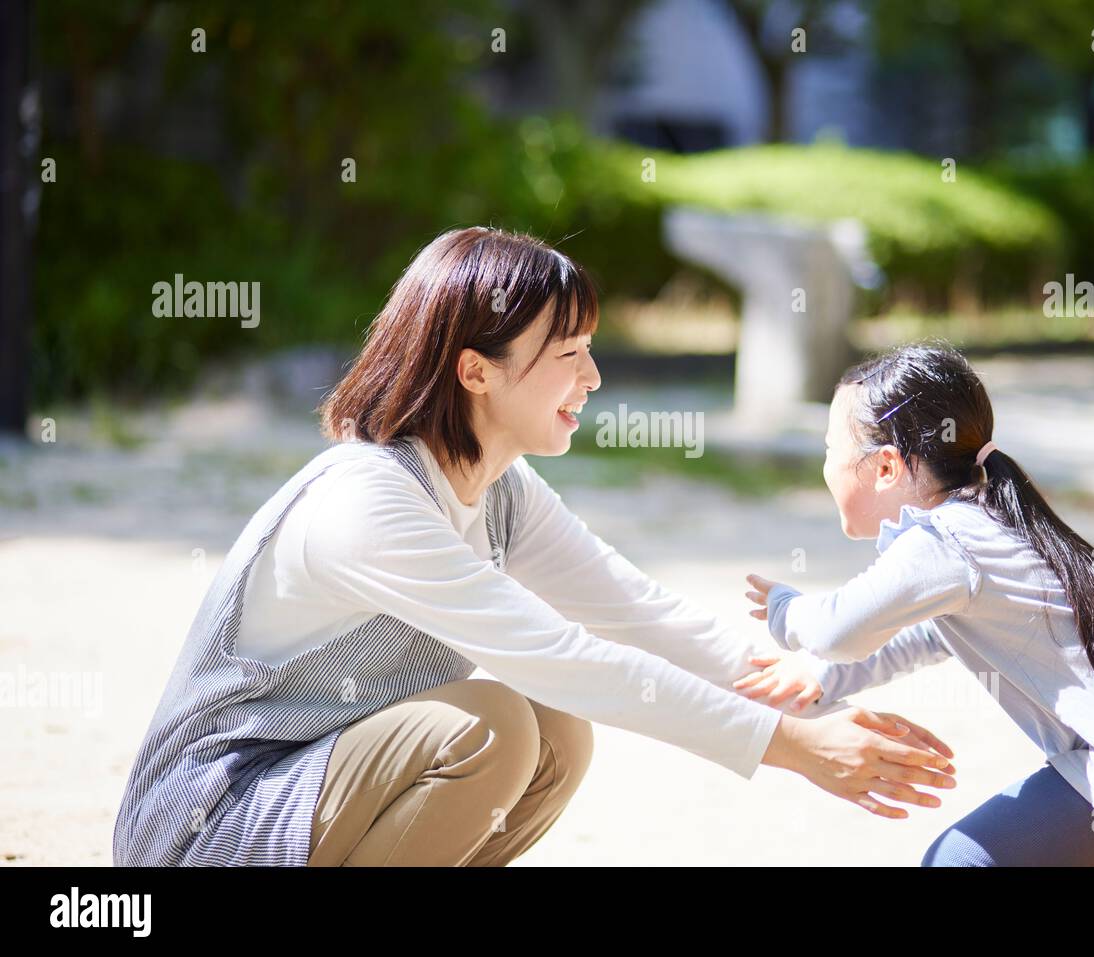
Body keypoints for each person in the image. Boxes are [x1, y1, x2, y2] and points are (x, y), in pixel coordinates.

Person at [110, 227, 956, 868]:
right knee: (495, 726)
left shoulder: (498, 489)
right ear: (475, 371)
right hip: (205, 823)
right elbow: (570, 656)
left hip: (310, 792)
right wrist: (795, 752)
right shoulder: (370, 497)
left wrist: (821, 708)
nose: (592, 380)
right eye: (570, 355)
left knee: (556, 731)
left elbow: (639, 616)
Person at [739, 343, 1094, 866]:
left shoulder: (943, 541)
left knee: (955, 862)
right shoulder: (992, 515)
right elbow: (921, 635)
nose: (826, 466)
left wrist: (787, 610)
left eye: (831, 451)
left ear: (885, 468)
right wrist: (822, 678)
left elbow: (837, 629)